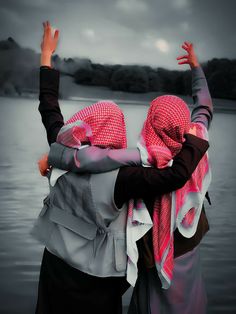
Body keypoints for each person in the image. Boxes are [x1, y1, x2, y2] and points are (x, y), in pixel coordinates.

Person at [33, 21, 210, 314]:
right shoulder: (127, 178)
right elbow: (174, 175)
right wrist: (189, 141)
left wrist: (46, 57)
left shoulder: (63, 149)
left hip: (54, 264)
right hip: (97, 282)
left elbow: (49, 109)